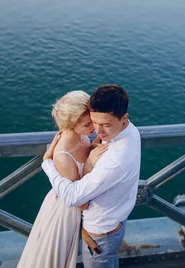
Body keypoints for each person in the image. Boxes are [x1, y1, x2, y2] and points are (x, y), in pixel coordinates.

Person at [42, 84, 141, 268]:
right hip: (117, 219)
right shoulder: (130, 130)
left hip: (101, 231)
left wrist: (47, 164)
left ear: (123, 118)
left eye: (105, 125)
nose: (98, 132)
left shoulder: (115, 161)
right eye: (93, 123)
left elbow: (73, 197)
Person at [18, 91, 109, 268]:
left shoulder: (82, 137)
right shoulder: (63, 156)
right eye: (87, 124)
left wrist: (91, 149)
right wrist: (90, 164)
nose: (94, 127)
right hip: (65, 214)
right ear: (71, 124)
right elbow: (79, 203)